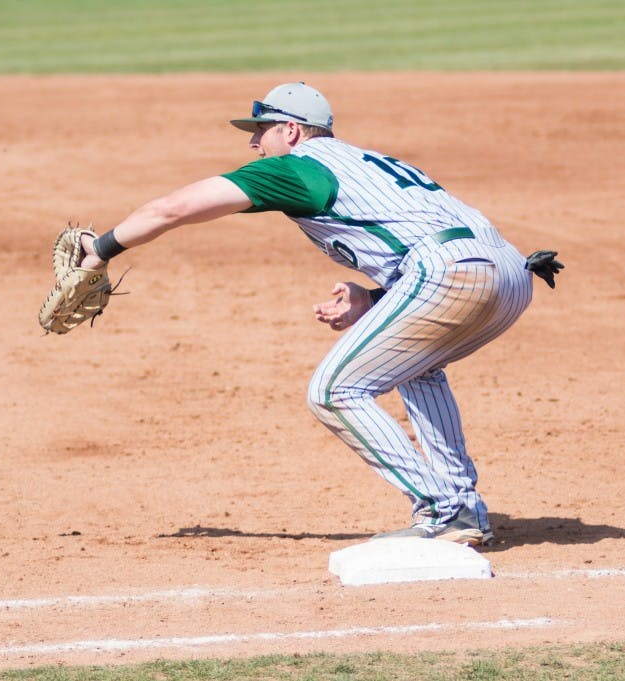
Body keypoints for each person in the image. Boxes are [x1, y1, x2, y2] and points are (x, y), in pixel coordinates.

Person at [80, 82, 559, 547]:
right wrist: (373, 300)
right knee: (418, 367)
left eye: (260, 129)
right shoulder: (369, 161)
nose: (253, 142)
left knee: (334, 391)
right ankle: (461, 511)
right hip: (513, 274)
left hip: (450, 271)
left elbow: (173, 208)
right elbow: (431, 240)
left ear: (291, 130)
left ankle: (442, 508)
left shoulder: (297, 167)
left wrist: (101, 248)